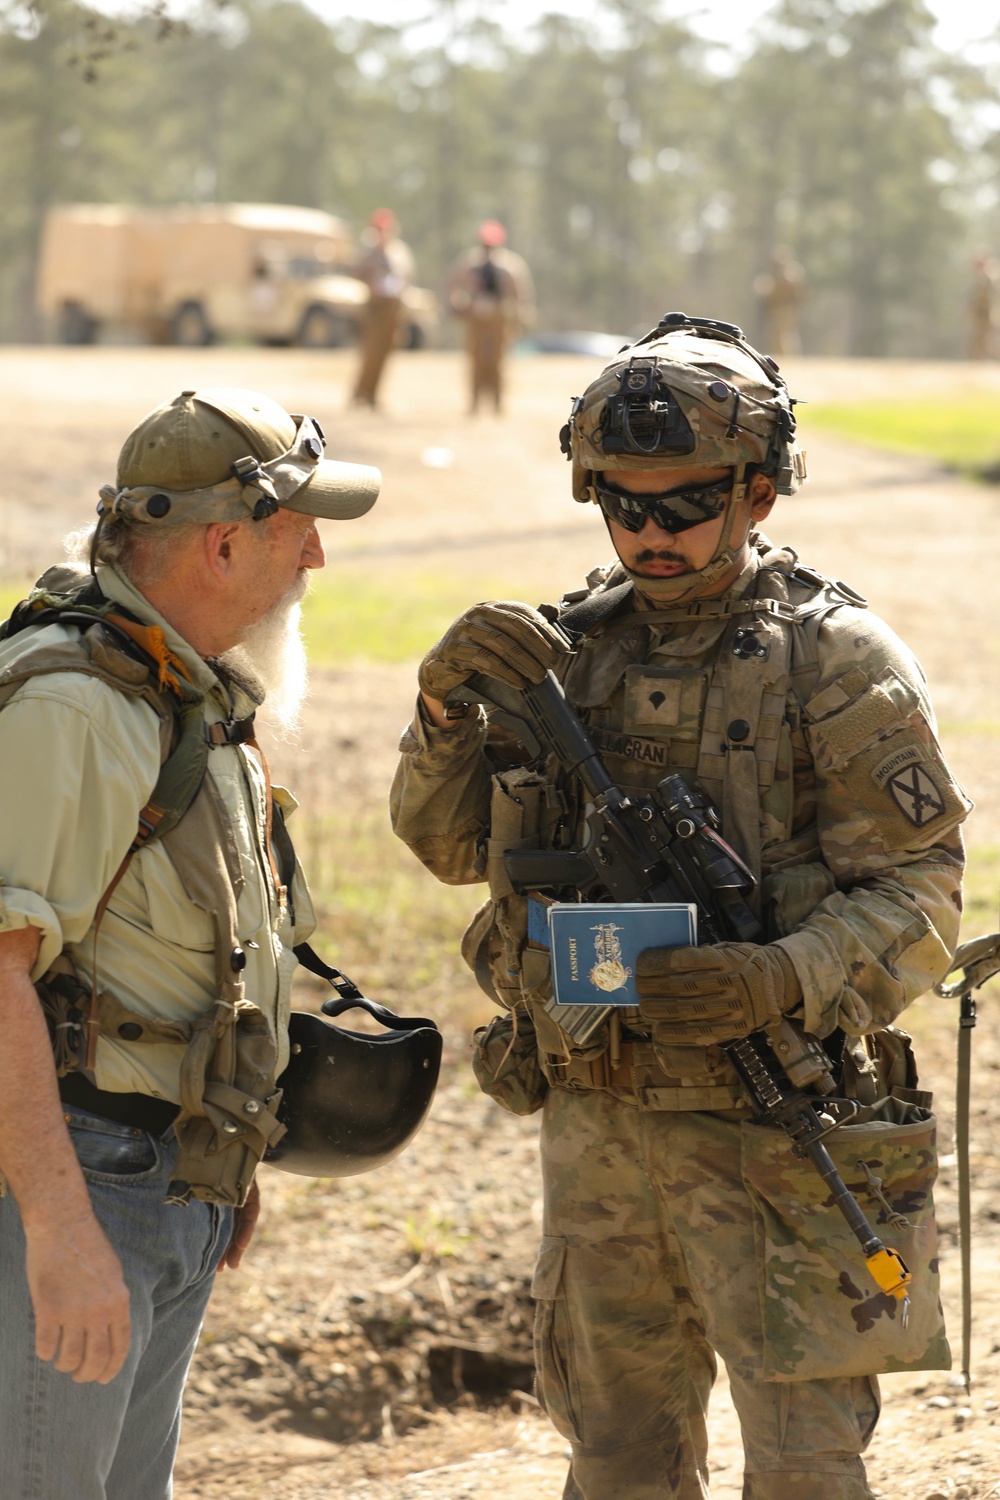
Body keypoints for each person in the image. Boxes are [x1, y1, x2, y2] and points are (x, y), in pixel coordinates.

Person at [391, 313, 969, 1498]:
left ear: (759, 491)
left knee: (805, 1470)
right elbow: (449, 845)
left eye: (685, 503)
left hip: (776, 1132)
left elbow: (921, 893)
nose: (649, 533)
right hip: (601, 1131)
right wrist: (444, 711)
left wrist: (782, 973)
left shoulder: (834, 660)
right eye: (622, 502)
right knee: (616, 1461)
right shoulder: (565, 655)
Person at [0, 387, 379, 1499]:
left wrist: (226, 1141)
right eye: (296, 530)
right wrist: (62, 1230)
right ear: (221, 544)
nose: (317, 557)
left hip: (168, 1179)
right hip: (83, 1185)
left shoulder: (185, 688)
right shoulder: (75, 705)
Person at [448, 219, 535, 414]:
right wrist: (459, 304)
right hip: (476, 318)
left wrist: (521, 313)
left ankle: (497, 403)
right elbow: (454, 285)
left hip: (500, 318)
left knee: (498, 362)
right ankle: (474, 402)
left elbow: (521, 292)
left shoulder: (510, 265)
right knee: (475, 361)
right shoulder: (469, 262)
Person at [350, 208, 415, 409]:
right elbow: (355, 273)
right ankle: (361, 394)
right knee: (371, 353)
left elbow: (407, 277)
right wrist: (372, 283)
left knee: (386, 353)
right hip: (375, 307)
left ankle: (374, 395)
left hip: (393, 309)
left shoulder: (400, 252)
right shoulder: (367, 254)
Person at [753, 246, 807, 355]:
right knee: (776, 335)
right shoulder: (773, 278)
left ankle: (788, 357)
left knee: (784, 335)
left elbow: (798, 294)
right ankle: (782, 357)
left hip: (786, 309)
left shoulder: (791, 275)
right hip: (776, 309)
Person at [966, 253, 1000, 360]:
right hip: (981, 317)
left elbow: (990, 299)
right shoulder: (983, 279)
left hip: (987, 316)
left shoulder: (989, 279)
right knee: (981, 343)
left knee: (983, 343)